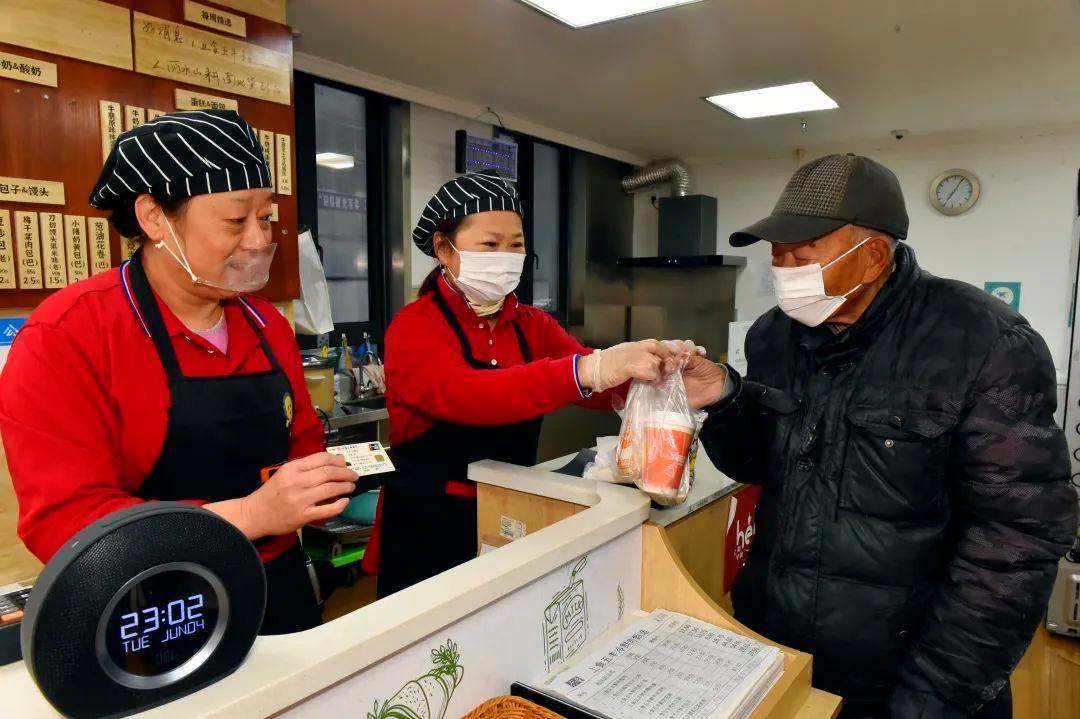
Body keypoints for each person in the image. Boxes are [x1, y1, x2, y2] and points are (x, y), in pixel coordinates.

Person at [680, 154, 1077, 718]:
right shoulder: (775, 336)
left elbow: (1015, 541)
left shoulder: (984, 342)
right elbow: (755, 465)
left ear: (870, 257)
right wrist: (726, 398)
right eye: (777, 255)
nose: (782, 269)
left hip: (912, 676)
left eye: (801, 254)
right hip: (782, 649)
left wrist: (936, 694)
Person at [0, 110, 357, 634]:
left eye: (266, 218)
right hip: (147, 602)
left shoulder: (267, 326)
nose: (259, 240)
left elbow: (300, 443)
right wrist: (251, 516)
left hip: (273, 586)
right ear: (153, 219)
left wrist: (324, 483)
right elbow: (64, 522)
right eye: (237, 221)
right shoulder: (70, 334)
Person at [364, 170, 688, 597]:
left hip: (509, 508)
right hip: (428, 523)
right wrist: (587, 369)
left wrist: (653, 371)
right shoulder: (414, 327)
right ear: (445, 248)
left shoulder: (532, 325)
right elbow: (470, 396)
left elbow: (596, 387)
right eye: (489, 244)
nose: (506, 255)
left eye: (515, 245)